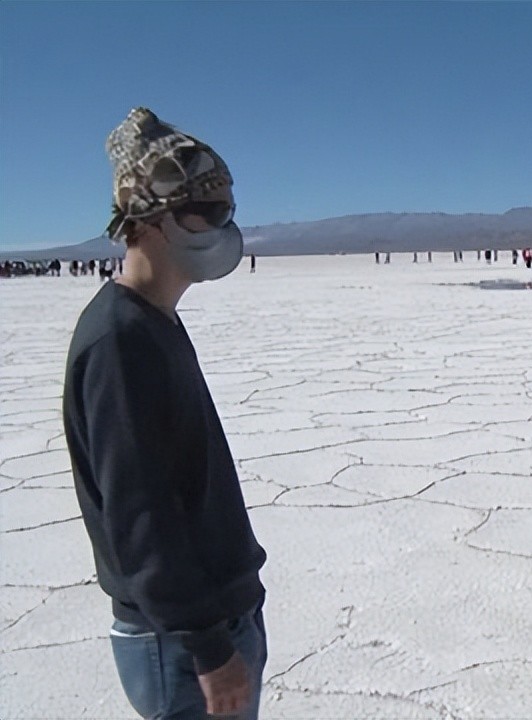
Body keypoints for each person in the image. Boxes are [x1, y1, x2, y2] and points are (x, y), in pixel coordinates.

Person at [62, 108, 268, 719]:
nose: (224, 226)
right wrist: (206, 646)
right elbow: (140, 520)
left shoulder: (152, 322)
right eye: (209, 210)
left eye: (227, 208)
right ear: (149, 219)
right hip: (182, 644)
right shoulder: (118, 341)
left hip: (212, 623)